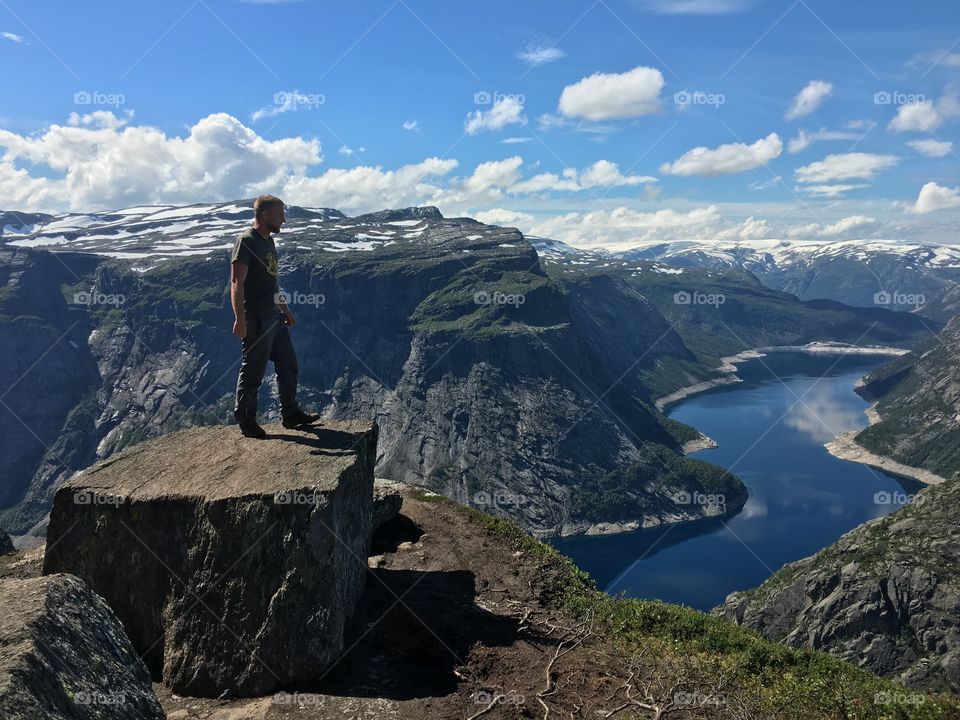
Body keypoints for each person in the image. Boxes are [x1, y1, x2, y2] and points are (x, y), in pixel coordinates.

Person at [230, 194, 319, 438]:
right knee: (254, 371)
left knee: (288, 363)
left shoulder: (269, 242)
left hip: (274, 318)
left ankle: (290, 414)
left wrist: (285, 310)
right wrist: (240, 318)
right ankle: (246, 420)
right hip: (255, 319)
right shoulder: (247, 242)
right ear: (265, 214)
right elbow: (237, 281)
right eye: (280, 214)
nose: (284, 220)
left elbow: (272, 283)